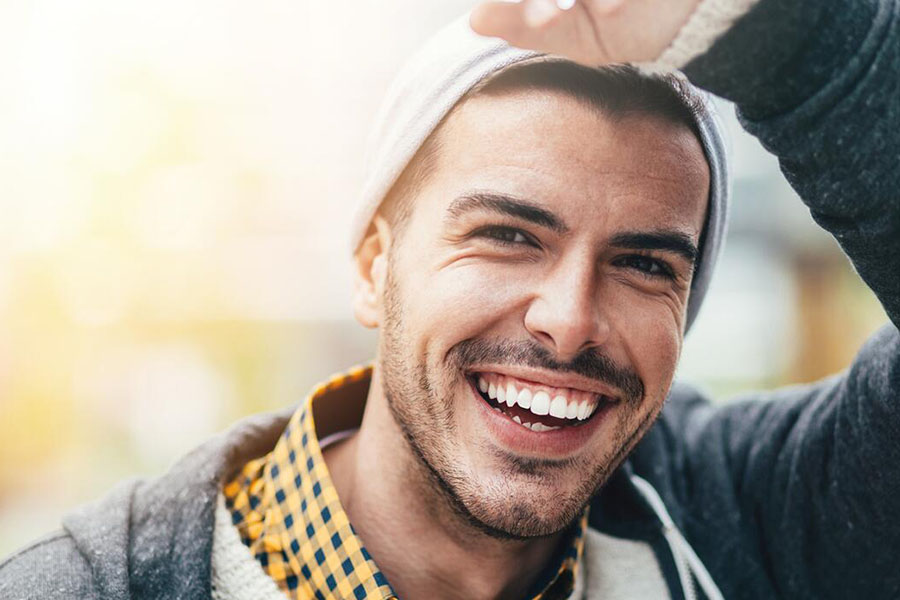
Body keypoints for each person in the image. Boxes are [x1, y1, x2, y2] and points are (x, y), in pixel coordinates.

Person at [2, 0, 898, 598]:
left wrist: (795, 41)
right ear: (371, 267)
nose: (569, 318)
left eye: (644, 265)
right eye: (509, 236)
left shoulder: (756, 517)